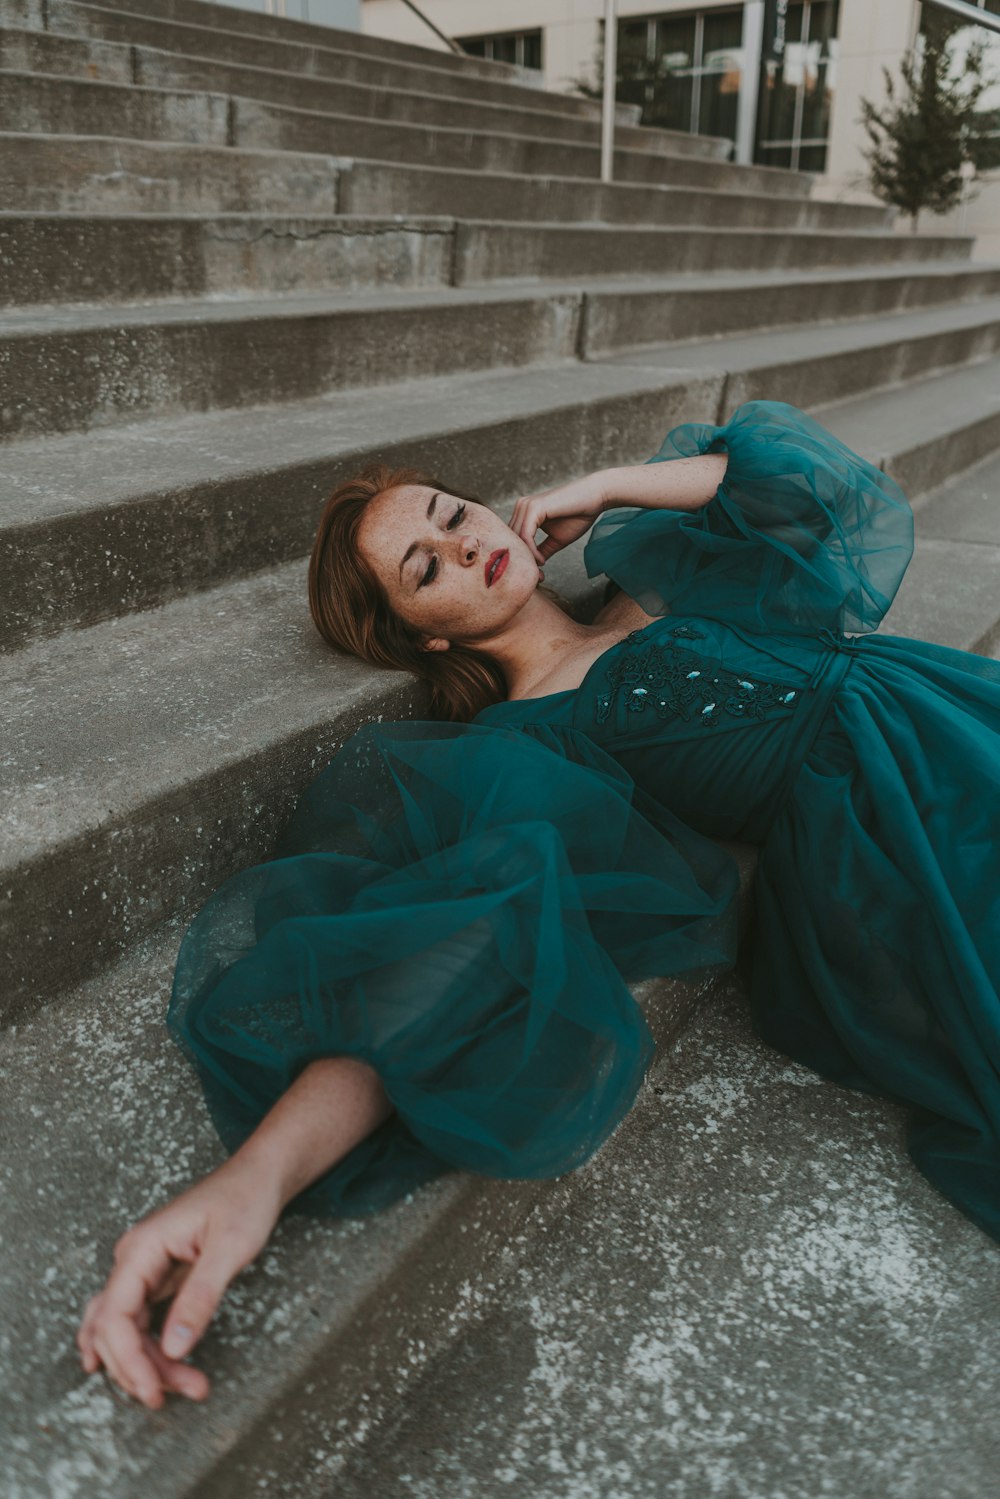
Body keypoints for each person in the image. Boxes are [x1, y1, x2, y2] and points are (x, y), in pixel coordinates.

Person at [77, 401, 1000, 1410]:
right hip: (890, 833)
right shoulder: (525, 746)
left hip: (946, 713)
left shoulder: (647, 580)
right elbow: (450, 935)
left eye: (450, 513)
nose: (460, 544)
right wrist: (256, 1172)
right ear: (421, 638)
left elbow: (801, 493)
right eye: (424, 567)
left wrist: (602, 488)